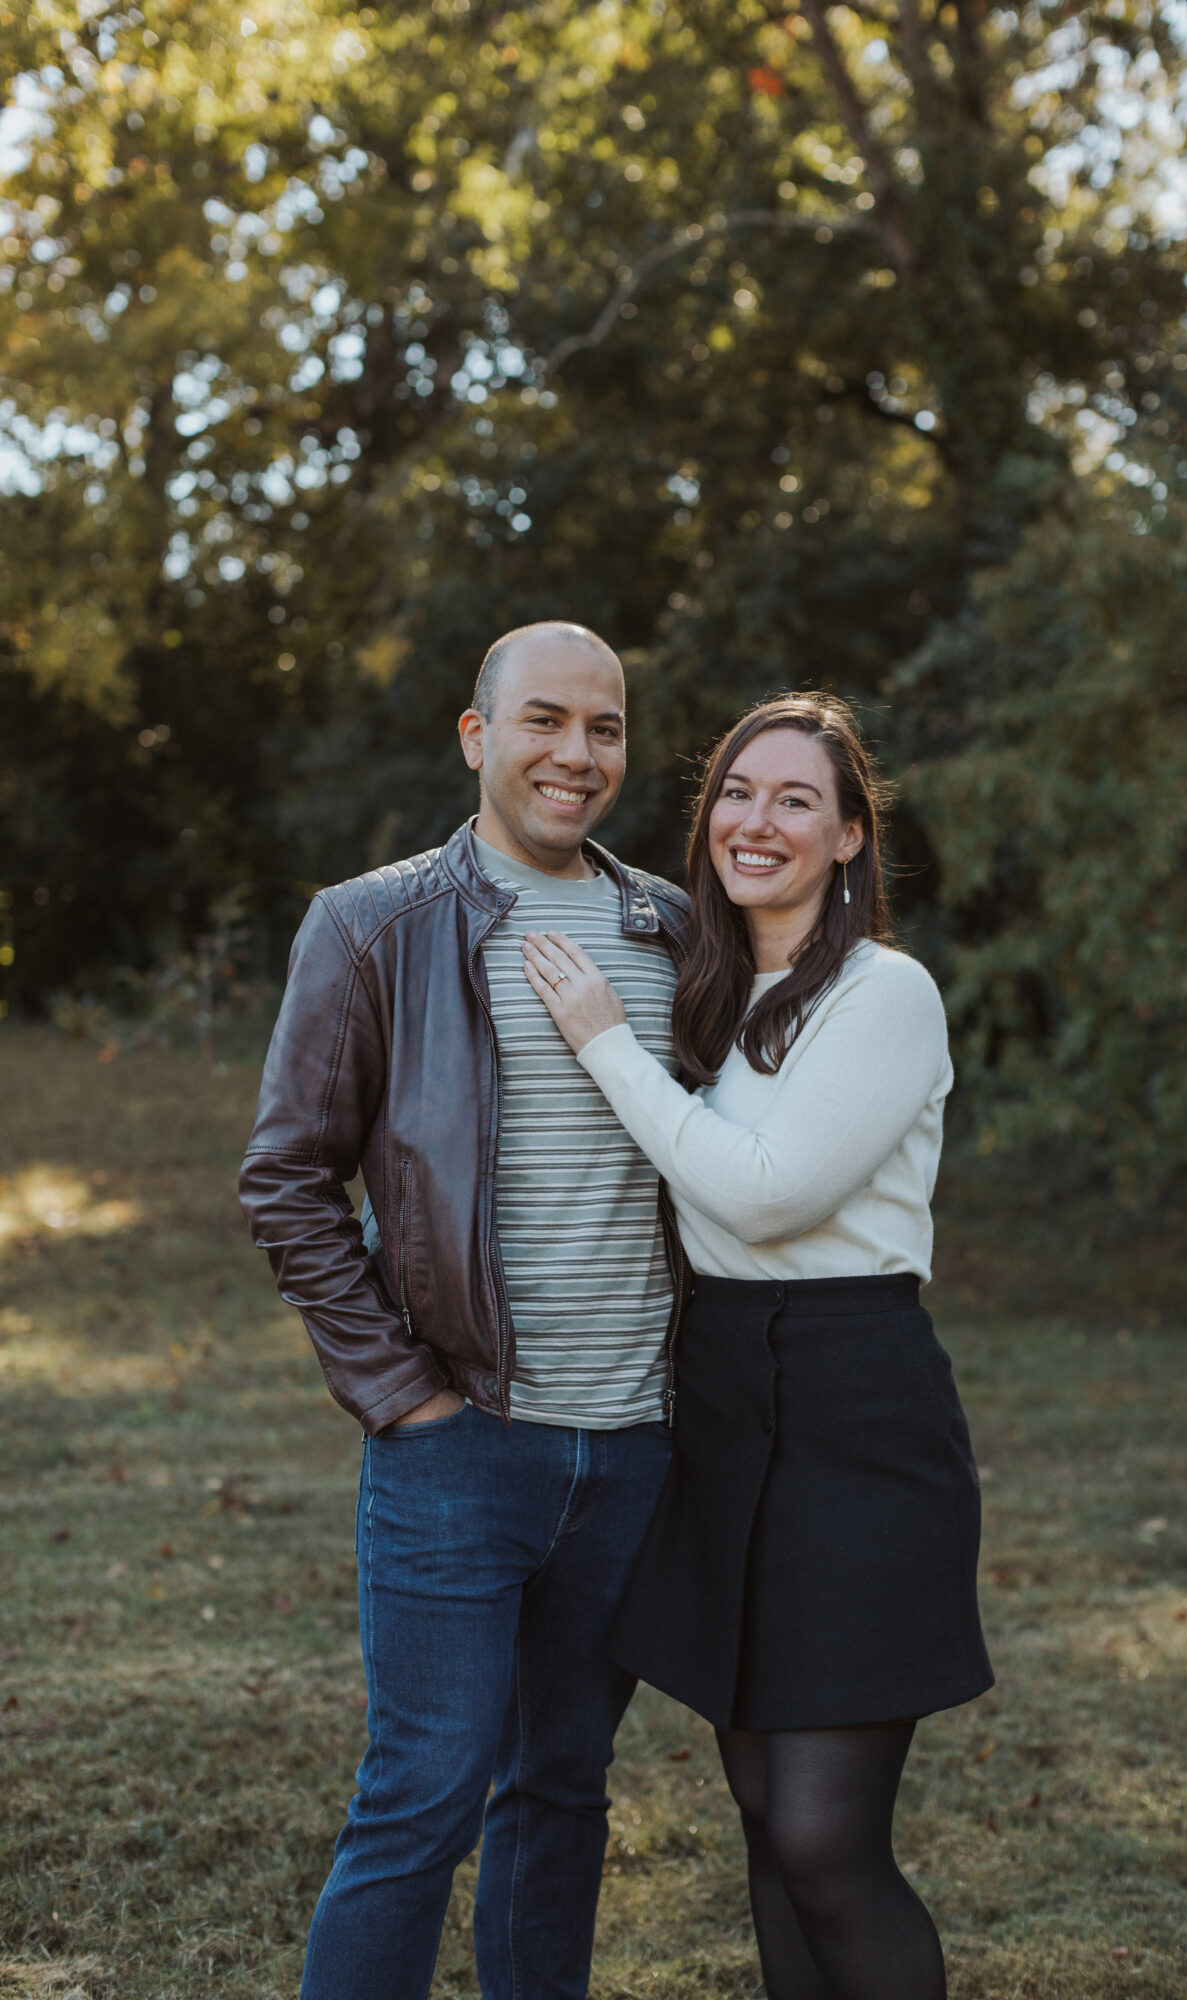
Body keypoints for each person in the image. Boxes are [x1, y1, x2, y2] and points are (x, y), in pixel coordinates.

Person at [237, 621, 691, 2000]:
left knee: (559, 1791)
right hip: (460, 1446)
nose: (576, 754)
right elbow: (287, 1178)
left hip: (632, 1450)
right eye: (544, 720)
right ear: (475, 735)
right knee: (422, 1799)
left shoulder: (670, 924)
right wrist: (404, 1399)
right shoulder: (374, 924)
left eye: (603, 728)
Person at [521, 693, 993, 2000]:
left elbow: (765, 1193)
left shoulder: (882, 993)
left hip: (854, 1409)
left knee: (821, 1833)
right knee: (757, 1814)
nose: (756, 820)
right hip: (725, 1406)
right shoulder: (718, 988)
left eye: (795, 800)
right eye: (736, 791)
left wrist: (606, 1049)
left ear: (849, 837)